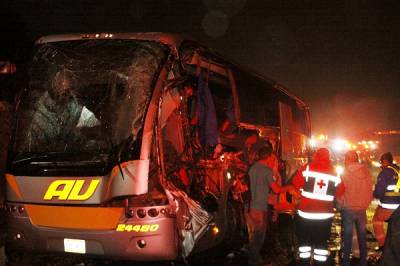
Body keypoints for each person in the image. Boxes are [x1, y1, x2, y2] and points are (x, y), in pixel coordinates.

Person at [292, 148, 344, 265]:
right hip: (325, 215)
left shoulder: (307, 168)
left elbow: (296, 182)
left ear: (316, 156)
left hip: (306, 213)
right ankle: (320, 263)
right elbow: (340, 191)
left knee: (304, 240)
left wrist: (302, 191)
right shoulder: (335, 172)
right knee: (321, 242)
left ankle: (305, 263)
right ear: (329, 157)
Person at [246, 145, 294, 266]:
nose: (274, 160)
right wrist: (289, 187)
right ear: (268, 157)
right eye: (272, 157)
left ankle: (255, 259)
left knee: (255, 235)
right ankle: (253, 261)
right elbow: (276, 190)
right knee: (259, 237)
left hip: (252, 207)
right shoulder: (267, 171)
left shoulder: (252, 168)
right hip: (261, 208)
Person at [338, 150, 373, 266]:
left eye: (345, 158)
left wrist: (340, 204)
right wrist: (366, 203)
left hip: (348, 208)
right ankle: (363, 261)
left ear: (348, 159)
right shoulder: (366, 172)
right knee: (362, 236)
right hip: (361, 209)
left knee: (347, 236)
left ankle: (346, 262)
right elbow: (369, 190)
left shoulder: (344, 173)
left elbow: (339, 192)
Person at [372, 152, 400, 250]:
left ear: (384, 161)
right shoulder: (398, 170)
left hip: (387, 207)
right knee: (394, 227)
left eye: (381, 162)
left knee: (376, 221)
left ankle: (382, 245)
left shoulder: (385, 172)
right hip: (398, 207)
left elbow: (379, 191)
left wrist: (374, 195)